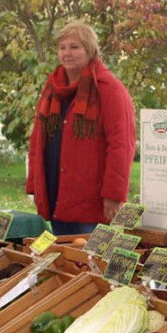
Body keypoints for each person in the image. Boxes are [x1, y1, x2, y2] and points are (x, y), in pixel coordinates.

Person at [26, 22, 136, 235]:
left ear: (90, 50)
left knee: (89, 261)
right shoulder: (51, 88)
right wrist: (35, 185)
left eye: (74, 47)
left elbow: (122, 145)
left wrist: (114, 194)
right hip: (55, 194)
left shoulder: (109, 89)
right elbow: (37, 141)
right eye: (62, 47)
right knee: (65, 261)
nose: (67, 53)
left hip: (91, 202)